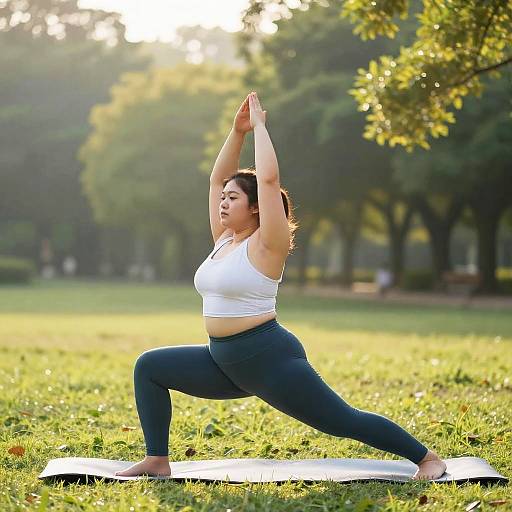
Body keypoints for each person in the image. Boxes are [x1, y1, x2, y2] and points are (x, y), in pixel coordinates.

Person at [115, 92, 447, 481]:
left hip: (268, 359)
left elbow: (269, 180)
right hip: (223, 358)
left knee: (341, 421)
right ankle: (157, 460)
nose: (222, 202)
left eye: (233, 198)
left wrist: (259, 128)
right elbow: (215, 179)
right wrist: (236, 133)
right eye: (222, 199)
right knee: (150, 367)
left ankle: (427, 458)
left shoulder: (267, 245)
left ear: (255, 206)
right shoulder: (225, 240)